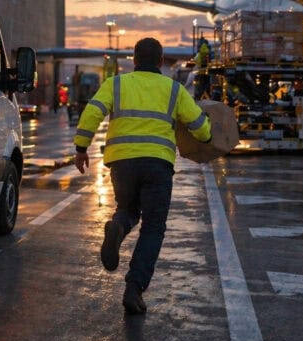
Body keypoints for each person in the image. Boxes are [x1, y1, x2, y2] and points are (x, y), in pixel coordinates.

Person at [74, 37, 212, 314]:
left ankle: (118, 227)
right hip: (158, 165)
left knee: (127, 209)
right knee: (153, 227)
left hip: (122, 163)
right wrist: (208, 136)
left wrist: (81, 147)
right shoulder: (173, 89)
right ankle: (134, 288)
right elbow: (199, 126)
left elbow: (92, 112)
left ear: (134, 60)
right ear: (160, 61)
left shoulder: (116, 84)